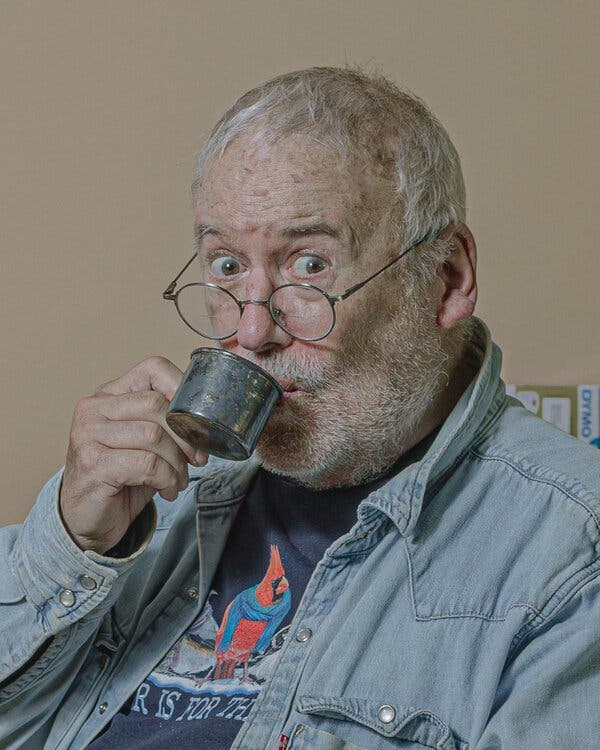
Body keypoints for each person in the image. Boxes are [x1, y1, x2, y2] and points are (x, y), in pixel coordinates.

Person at [1, 66, 599, 750]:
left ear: (446, 278)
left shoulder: (570, 551)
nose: (251, 331)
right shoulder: (148, 492)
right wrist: (69, 546)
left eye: (310, 265)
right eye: (227, 266)